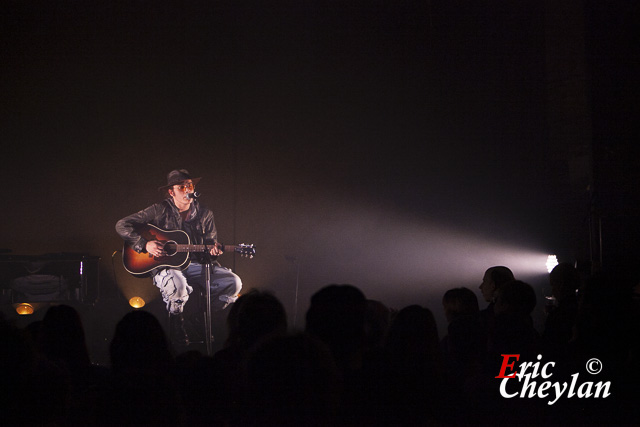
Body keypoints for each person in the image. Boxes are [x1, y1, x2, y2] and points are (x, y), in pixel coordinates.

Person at [115, 169, 242, 345]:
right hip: (165, 265)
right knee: (178, 285)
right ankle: (177, 323)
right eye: (181, 187)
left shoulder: (205, 214)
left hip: (195, 263)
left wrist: (213, 251)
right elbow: (122, 224)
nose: (186, 190)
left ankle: (200, 319)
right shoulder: (159, 210)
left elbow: (209, 244)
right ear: (171, 192)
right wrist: (145, 244)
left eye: (189, 185)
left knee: (233, 283)